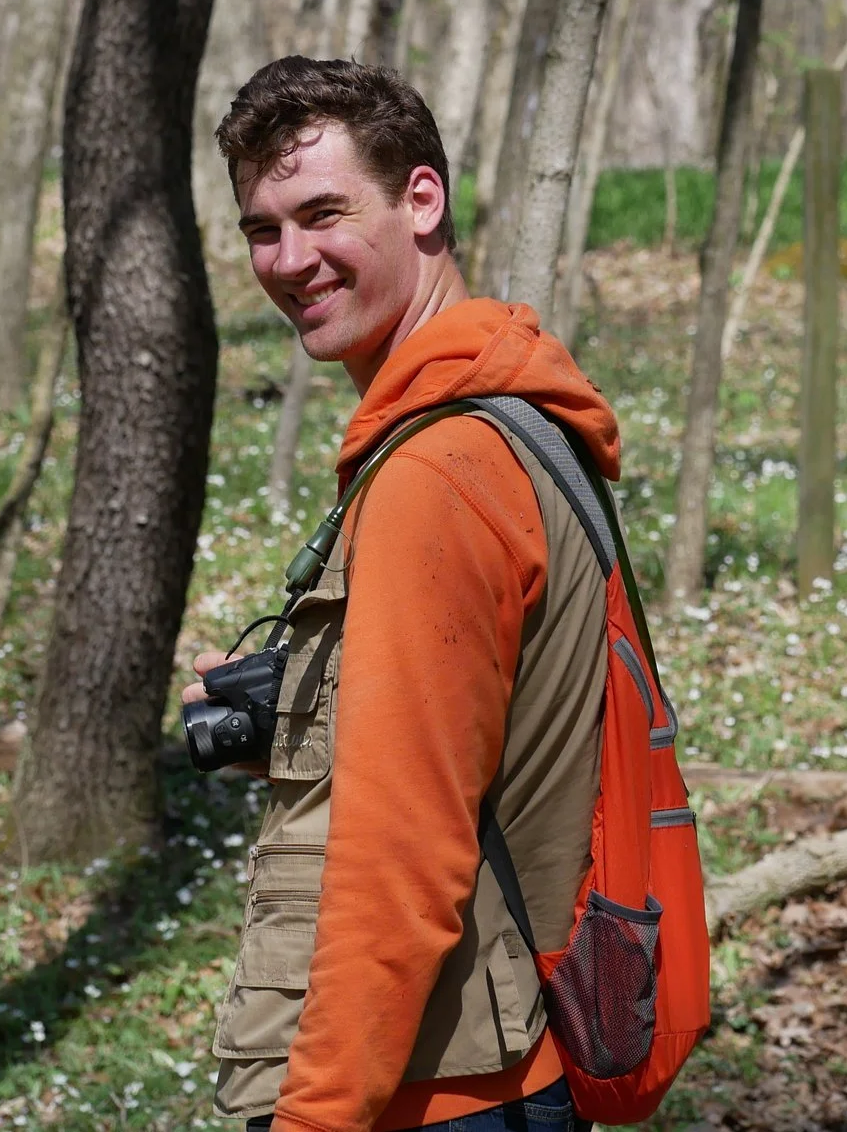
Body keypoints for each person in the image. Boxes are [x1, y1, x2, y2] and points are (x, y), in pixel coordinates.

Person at [192, 56, 618, 1132]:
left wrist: (316, 1115)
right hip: (482, 1071)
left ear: (420, 199)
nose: (291, 260)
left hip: (427, 1094)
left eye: (323, 212)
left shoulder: (438, 472)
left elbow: (403, 856)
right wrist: (301, 719)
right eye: (261, 229)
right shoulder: (514, 421)